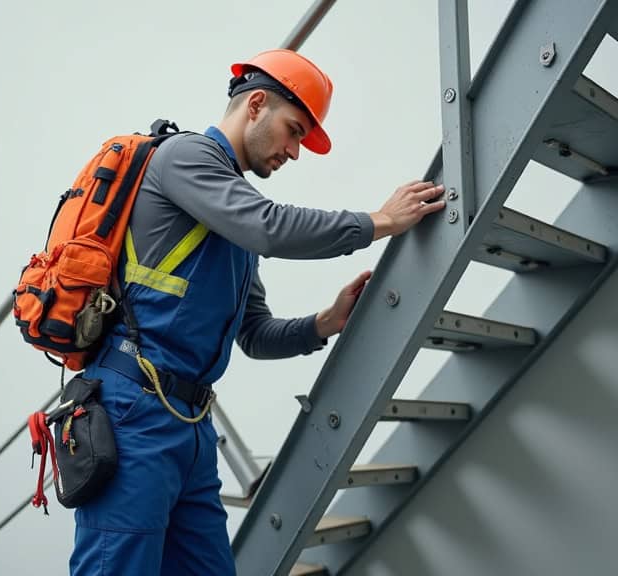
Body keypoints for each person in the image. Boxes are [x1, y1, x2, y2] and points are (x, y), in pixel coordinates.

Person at [68, 49, 446, 576]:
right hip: (132, 412)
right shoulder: (185, 158)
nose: (294, 152)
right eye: (294, 131)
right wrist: (380, 221)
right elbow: (269, 227)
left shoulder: (229, 211)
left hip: (191, 427)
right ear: (257, 104)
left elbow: (253, 334)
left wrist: (326, 322)